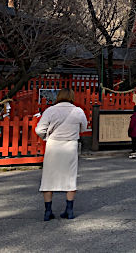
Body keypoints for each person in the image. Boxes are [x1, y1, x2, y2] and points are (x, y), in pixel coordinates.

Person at [35, 88, 88, 221]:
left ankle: (48, 211)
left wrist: (46, 137)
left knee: (48, 178)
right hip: (70, 145)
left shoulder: (50, 111)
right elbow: (84, 127)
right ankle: (69, 211)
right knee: (70, 177)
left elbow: (39, 130)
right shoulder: (78, 111)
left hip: (53, 146)